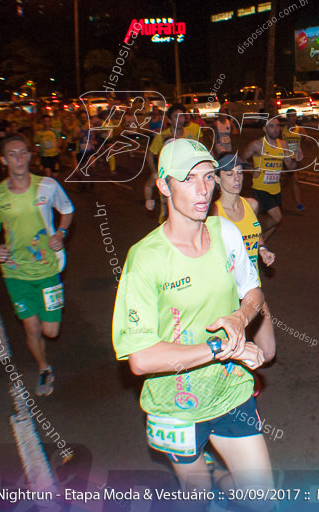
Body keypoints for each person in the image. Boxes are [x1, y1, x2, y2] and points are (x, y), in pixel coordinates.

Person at [112, 139, 273, 493]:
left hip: (230, 390)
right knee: (196, 497)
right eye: (187, 179)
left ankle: (216, 475)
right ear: (163, 185)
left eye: (208, 177)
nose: (202, 190)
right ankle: (206, 478)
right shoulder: (144, 259)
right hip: (177, 403)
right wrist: (221, 347)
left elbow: (253, 292)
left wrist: (241, 318)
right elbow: (140, 359)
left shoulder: (225, 232)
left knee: (260, 495)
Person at [0, 134, 74, 396]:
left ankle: (45, 354)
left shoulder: (47, 186)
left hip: (48, 270)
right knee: (31, 328)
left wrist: (60, 233)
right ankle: (44, 368)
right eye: (12, 154)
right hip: (15, 272)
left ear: (30, 155)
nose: (19, 158)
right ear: (3, 159)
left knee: (51, 331)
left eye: (23, 152)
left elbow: (67, 210)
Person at [214, 153, 277, 362]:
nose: (237, 179)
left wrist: (262, 249)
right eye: (229, 174)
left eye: (240, 173)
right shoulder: (213, 213)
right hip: (226, 292)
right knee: (226, 349)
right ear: (216, 178)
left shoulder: (251, 204)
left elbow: (255, 233)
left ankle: (239, 368)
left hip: (251, 290)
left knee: (267, 353)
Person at [240, 117, 302, 243]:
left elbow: (290, 166)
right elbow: (241, 158)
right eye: (271, 126)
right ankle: (251, 236)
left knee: (274, 223)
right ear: (264, 129)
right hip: (260, 188)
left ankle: (259, 246)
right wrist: (252, 170)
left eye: (277, 126)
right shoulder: (257, 145)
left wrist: (298, 160)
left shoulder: (283, 145)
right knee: (277, 218)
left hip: (276, 189)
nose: (275, 129)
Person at [145, 105, 201, 213]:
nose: (180, 120)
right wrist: (155, 172)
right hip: (170, 180)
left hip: (188, 180)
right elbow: (150, 154)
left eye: (182, 116)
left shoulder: (191, 134)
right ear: (169, 120)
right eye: (176, 116)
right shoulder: (161, 136)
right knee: (169, 210)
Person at [280, 109, 307, 212]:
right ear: (287, 117)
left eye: (295, 116)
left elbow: (307, 141)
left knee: (290, 179)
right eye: (291, 116)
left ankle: (298, 203)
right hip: (286, 158)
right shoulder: (282, 130)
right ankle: (298, 203)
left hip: (295, 159)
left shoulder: (300, 129)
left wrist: (307, 140)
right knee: (291, 179)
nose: (294, 118)